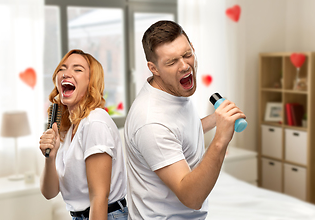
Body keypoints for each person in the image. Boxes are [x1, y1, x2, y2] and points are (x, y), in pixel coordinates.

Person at [124, 20, 246, 219]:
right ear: (153, 68)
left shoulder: (173, 92)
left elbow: (180, 131)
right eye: (171, 62)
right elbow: (192, 198)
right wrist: (221, 139)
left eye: (187, 54)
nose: (184, 66)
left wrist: (216, 119)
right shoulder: (151, 122)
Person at [39, 49, 128, 220]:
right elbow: (49, 193)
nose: (66, 73)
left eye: (77, 69)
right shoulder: (67, 127)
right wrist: (50, 157)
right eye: (62, 68)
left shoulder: (95, 122)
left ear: (90, 82)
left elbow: (99, 198)